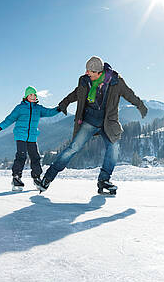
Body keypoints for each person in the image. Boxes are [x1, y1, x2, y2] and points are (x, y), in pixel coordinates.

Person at [38, 56, 147, 194]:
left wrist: (140, 106)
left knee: (113, 148)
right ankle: (48, 177)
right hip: (89, 121)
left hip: (108, 123)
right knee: (73, 148)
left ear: (99, 72)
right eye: (87, 70)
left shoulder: (116, 82)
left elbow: (129, 94)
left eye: (90, 71)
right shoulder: (85, 82)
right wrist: (64, 103)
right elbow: (75, 94)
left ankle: (104, 180)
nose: (87, 73)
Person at [0, 86, 63, 190]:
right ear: (26, 96)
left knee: (35, 157)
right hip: (21, 135)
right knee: (21, 156)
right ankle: (16, 177)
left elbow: (49, 112)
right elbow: (10, 119)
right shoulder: (20, 108)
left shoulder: (38, 108)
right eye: (31, 94)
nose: (33, 96)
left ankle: (36, 177)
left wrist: (60, 108)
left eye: (34, 95)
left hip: (32, 136)